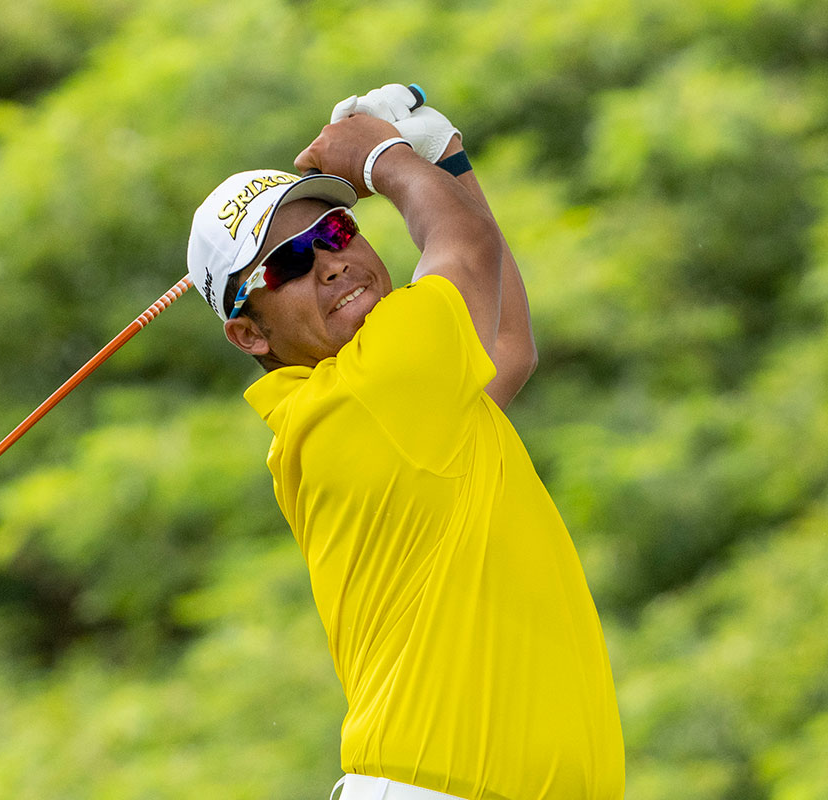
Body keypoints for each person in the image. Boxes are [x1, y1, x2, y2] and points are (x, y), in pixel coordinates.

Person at [185, 85, 625, 800]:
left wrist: (443, 163)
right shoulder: (369, 389)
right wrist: (386, 161)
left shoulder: (398, 400)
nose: (329, 262)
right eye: (287, 265)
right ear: (249, 333)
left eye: (333, 231)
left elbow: (507, 345)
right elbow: (466, 247)